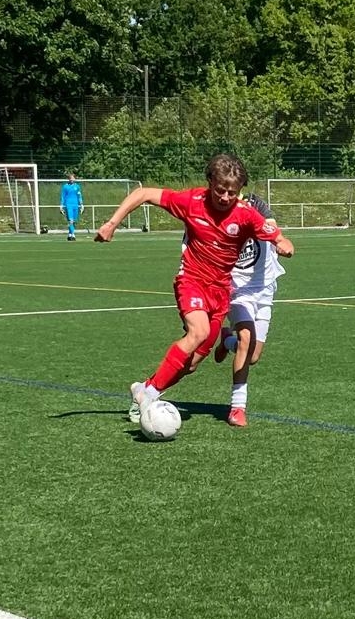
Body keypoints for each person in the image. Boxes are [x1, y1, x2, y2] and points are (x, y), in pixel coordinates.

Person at [94, 153, 294, 424]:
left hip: (220, 292)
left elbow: (278, 237)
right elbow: (143, 194)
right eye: (220, 190)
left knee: (192, 364)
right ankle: (148, 395)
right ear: (210, 182)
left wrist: (284, 245)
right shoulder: (191, 201)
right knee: (198, 332)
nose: (225, 197)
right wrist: (112, 224)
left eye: (232, 193)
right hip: (192, 281)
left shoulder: (246, 214)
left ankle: (144, 388)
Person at [211, 191, 287, 428]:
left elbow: (273, 228)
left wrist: (281, 243)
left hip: (264, 288)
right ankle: (237, 407)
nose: (227, 194)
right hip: (237, 291)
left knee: (252, 356)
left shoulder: (255, 203)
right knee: (246, 337)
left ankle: (227, 340)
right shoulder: (217, 209)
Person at [59, 172, 84, 241]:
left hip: (75, 205)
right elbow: (63, 196)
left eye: (73, 178)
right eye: (71, 178)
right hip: (68, 205)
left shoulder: (77, 186)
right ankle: (73, 235)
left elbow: (79, 196)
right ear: (69, 179)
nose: (72, 179)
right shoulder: (65, 186)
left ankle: (69, 234)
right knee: (70, 220)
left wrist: (81, 205)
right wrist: (61, 205)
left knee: (74, 221)